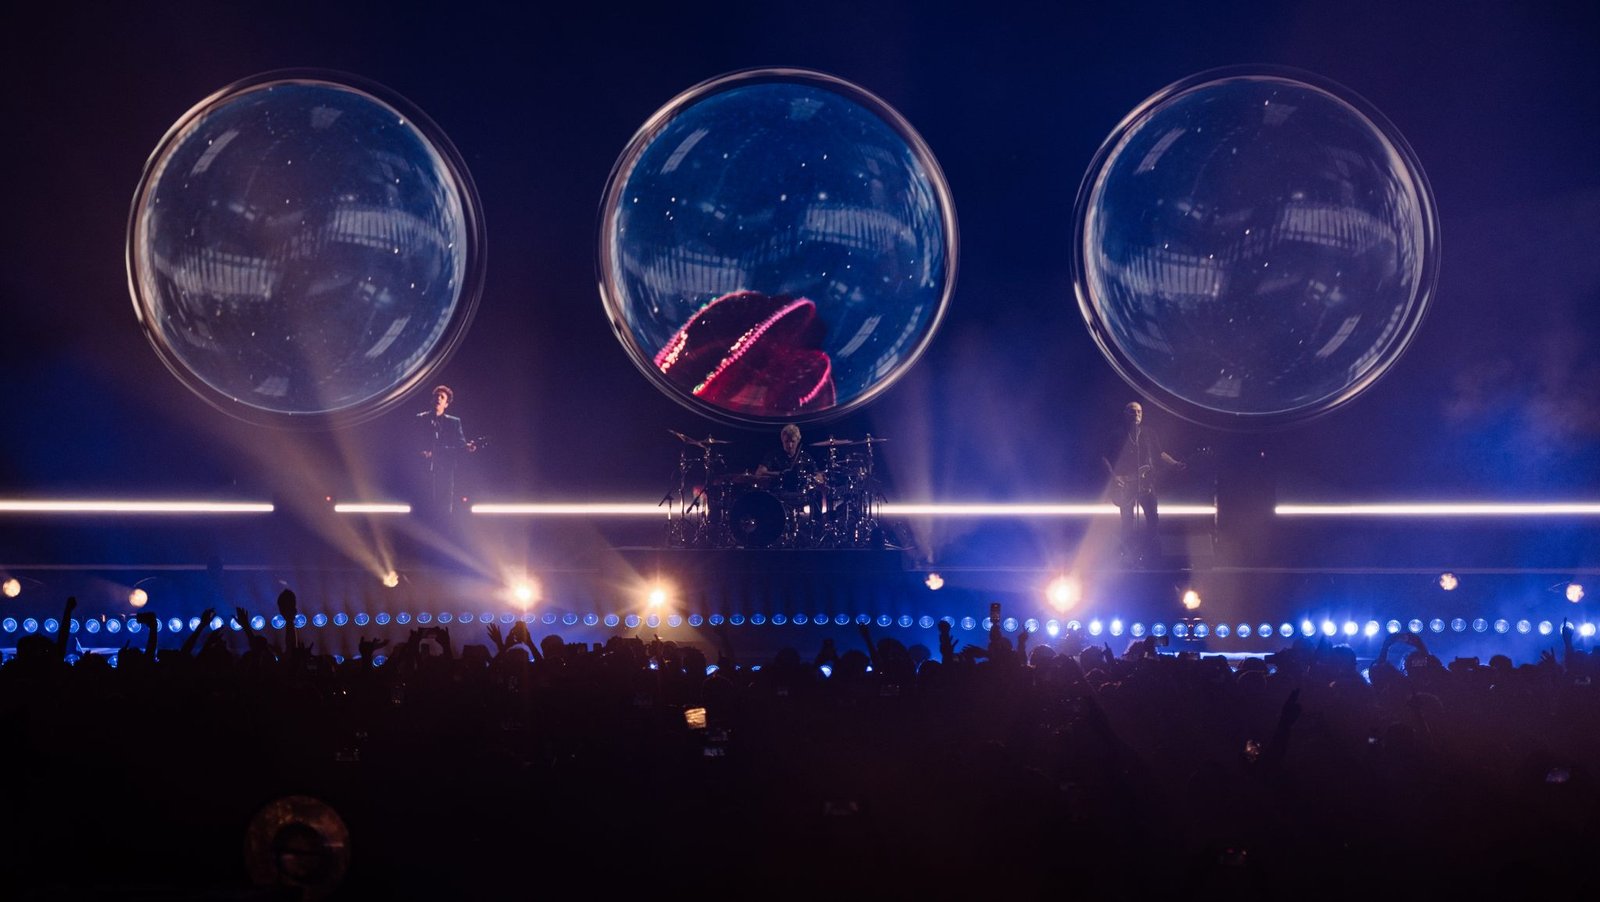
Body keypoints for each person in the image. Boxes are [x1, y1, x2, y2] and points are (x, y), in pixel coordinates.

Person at [1101, 401, 1183, 562]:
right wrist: (1114, 476)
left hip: (1146, 484)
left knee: (1153, 519)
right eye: (1133, 412)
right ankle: (1127, 555)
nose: (1136, 415)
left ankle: (1148, 554)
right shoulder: (1117, 434)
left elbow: (1159, 453)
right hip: (1125, 484)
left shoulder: (1148, 433)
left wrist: (1175, 463)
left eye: (1139, 412)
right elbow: (1104, 457)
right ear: (1125, 414)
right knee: (1127, 522)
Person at [417, 385, 476, 515]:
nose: (438, 398)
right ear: (432, 400)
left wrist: (468, 447)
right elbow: (413, 441)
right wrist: (421, 452)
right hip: (423, 469)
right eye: (436, 396)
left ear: (446, 404)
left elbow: (461, 444)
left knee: (443, 506)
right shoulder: (421, 419)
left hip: (445, 470)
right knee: (423, 505)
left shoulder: (454, 422)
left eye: (442, 397)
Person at [755, 423, 825, 521]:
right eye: (787, 441)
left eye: (793, 441)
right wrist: (781, 474)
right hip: (778, 494)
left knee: (817, 494)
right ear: (782, 440)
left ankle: (815, 526)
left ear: (798, 441)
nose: (790, 445)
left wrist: (816, 479)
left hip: (801, 495)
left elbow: (818, 474)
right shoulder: (774, 455)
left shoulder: (805, 457)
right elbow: (759, 473)